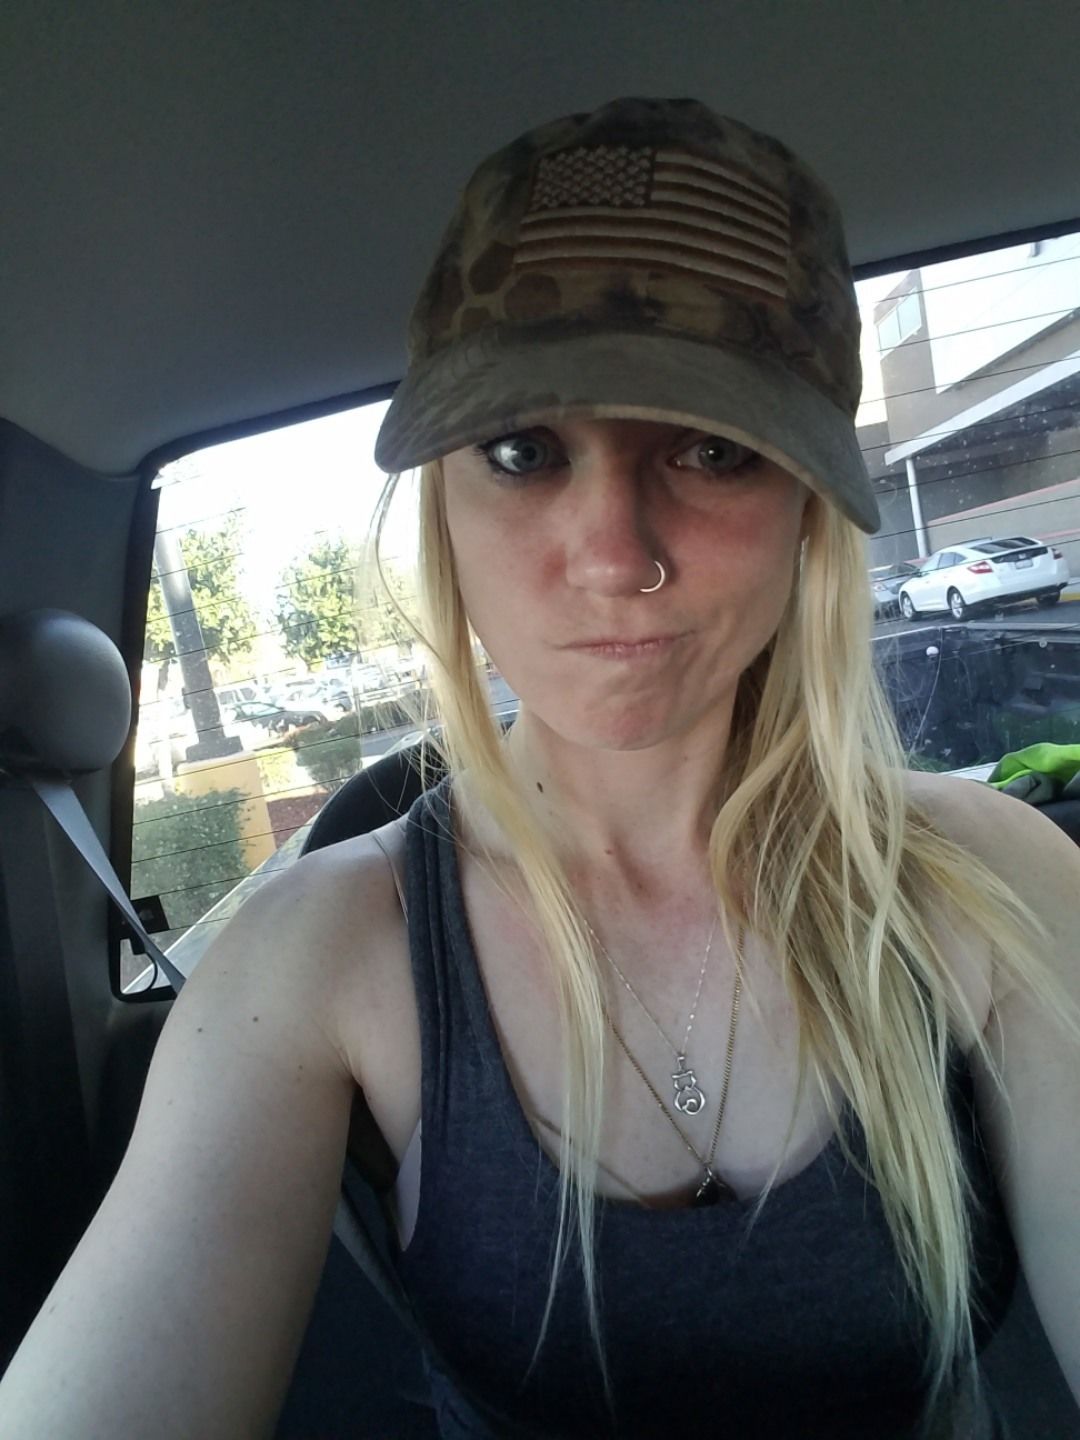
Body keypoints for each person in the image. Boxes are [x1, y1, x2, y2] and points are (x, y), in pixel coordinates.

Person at [0, 96, 1077, 1440]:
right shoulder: (318, 956)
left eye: (713, 448)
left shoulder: (993, 888)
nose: (615, 555)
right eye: (523, 451)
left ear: (809, 507)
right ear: (444, 509)